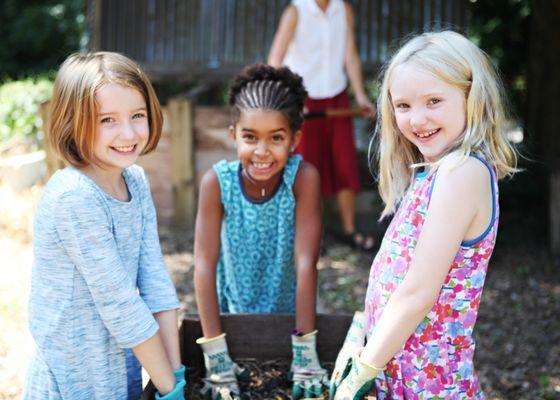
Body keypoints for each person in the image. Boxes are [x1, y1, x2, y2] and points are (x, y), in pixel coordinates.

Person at [329, 31, 519, 399]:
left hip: (428, 383)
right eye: (403, 106)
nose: (417, 119)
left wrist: (362, 370)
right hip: (400, 368)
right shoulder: (436, 170)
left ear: (471, 97)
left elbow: (418, 292)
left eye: (434, 100)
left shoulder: (460, 172)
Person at [23, 52, 186, 400]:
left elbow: (155, 279)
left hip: (119, 361)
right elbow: (122, 305)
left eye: (137, 116)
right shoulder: (74, 198)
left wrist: (176, 376)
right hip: (73, 376)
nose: (127, 133)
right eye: (107, 120)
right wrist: (170, 390)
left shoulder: (136, 181)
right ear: (72, 122)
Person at [193, 63, 327, 400]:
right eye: (250, 137)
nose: (262, 151)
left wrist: (306, 349)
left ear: (295, 139)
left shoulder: (303, 178)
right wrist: (215, 354)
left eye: (276, 138)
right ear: (233, 134)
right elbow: (204, 266)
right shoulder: (217, 183)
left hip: (291, 313)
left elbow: (306, 263)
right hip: (233, 312)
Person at [268, 0, 377, 251]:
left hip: (337, 97)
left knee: (345, 162)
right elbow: (275, 60)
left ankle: (349, 231)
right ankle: (307, 235)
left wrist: (359, 96)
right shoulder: (295, 11)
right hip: (304, 101)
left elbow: (350, 53)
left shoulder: (344, 9)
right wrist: (289, 97)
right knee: (306, 167)